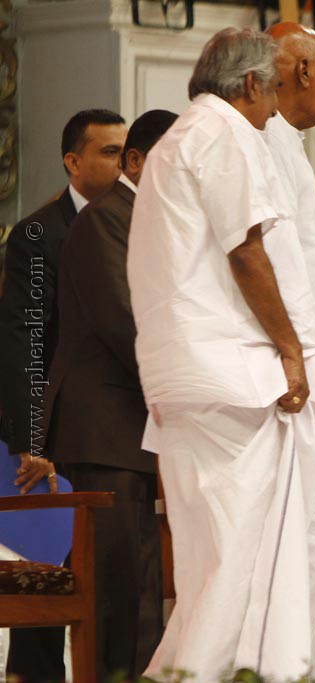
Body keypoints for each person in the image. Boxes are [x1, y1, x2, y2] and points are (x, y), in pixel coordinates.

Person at [128, 28, 315, 682]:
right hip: (234, 384)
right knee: (243, 571)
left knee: (212, 570)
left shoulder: (176, 142)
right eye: (270, 91)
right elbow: (246, 250)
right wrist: (292, 352)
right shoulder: (223, 134)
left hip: (190, 382)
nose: (275, 108)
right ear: (250, 84)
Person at [36, 108, 177, 682]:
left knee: (142, 581)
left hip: (136, 426)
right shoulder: (105, 221)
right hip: (107, 424)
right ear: (137, 162)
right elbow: (125, 322)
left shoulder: (148, 219)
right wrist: (186, 388)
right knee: (121, 587)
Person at [0, 107, 127, 683]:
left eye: (126, 150)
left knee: (103, 569)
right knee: (49, 563)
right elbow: (26, 339)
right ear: (73, 161)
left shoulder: (132, 221)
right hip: (52, 427)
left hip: (108, 425)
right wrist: (33, 436)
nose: (121, 160)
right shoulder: (38, 232)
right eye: (107, 151)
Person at [264, 25, 315, 676]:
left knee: (314, 556)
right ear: (297, 73)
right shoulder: (267, 145)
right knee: (296, 558)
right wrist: (299, 364)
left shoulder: (290, 148)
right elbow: (269, 269)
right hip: (295, 389)